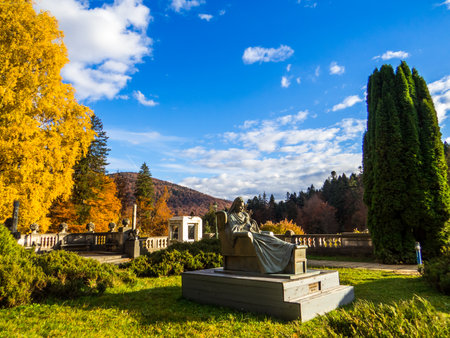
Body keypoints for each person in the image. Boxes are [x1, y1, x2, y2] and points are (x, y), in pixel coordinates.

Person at [227, 197, 295, 273]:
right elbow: (234, 230)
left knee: (269, 236)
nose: (242, 208)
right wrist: (244, 223)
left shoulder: (244, 215)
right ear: (235, 205)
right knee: (267, 239)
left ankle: (287, 248)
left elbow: (250, 226)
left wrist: (252, 223)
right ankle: (286, 248)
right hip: (246, 237)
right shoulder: (231, 216)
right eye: (240, 206)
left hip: (254, 233)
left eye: (243, 206)